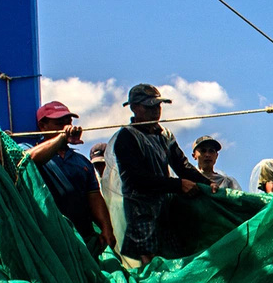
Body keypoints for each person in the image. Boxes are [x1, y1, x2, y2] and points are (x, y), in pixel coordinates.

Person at [109, 83, 205, 263]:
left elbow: (183, 166)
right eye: (149, 107)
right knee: (151, 263)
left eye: (158, 106)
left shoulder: (164, 135)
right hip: (141, 212)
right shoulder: (127, 137)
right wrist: (178, 185)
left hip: (165, 209)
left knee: (175, 258)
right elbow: (138, 179)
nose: (156, 111)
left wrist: (208, 184)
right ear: (135, 108)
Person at [24, 99, 117, 252]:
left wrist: (106, 228)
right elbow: (29, 160)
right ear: (42, 126)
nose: (67, 127)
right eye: (60, 123)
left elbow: (94, 196)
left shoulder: (81, 162)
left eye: (69, 122)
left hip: (82, 237)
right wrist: (60, 138)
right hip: (49, 238)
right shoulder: (29, 150)